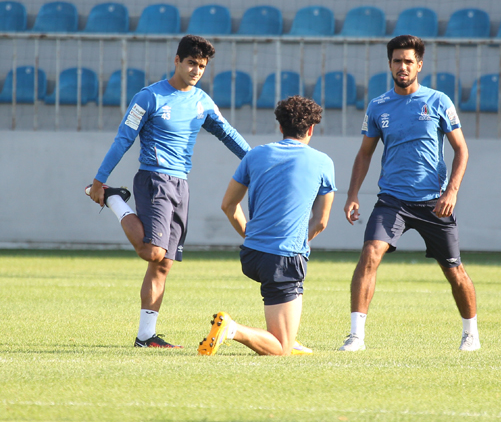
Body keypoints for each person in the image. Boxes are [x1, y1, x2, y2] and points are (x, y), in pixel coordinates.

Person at [86, 35, 251, 348]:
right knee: (153, 251)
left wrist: (257, 159)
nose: (196, 70)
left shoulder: (202, 101)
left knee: (163, 263)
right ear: (176, 61)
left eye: (202, 66)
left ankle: (145, 336)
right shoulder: (149, 97)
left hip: (180, 185)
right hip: (154, 179)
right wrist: (99, 180)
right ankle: (114, 198)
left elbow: (227, 134)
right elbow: (123, 139)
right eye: (191, 63)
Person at [338, 35, 479, 352]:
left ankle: (471, 333)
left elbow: (461, 150)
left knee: (455, 271)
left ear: (419, 65)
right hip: (392, 201)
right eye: (397, 61)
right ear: (389, 64)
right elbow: (364, 154)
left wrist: (452, 192)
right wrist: (352, 194)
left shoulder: (439, 101)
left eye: (408, 61)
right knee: (370, 255)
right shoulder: (378, 106)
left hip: (434, 203)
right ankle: (356, 336)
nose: (403, 66)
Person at [197, 95, 336, 357]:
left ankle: (289, 336)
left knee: (286, 327)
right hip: (283, 258)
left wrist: (250, 235)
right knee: (281, 349)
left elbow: (228, 205)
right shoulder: (322, 162)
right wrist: (298, 241)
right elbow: (321, 221)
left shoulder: (255, 155)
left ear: (280, 127)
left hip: (251, 254)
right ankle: (232, 329)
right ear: (311, 129)